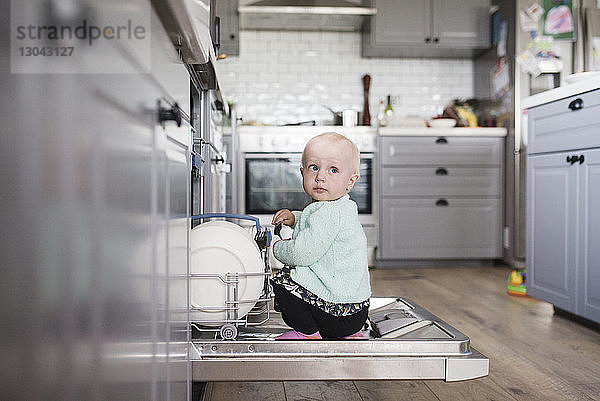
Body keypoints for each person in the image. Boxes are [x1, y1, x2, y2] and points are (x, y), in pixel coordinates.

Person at [270, 132, 371, 340]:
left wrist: (278, 247)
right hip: (354, 313)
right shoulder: (343, 207)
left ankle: (307, 333)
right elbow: (317, 224)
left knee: (282, 281)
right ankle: (349, 334)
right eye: (313, 168)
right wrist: (295, 218)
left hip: (335, 313)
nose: (320, 177)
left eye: (333, 170)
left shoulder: (328, 212)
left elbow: (301, 253)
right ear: (302, 172)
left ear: (350, 181)